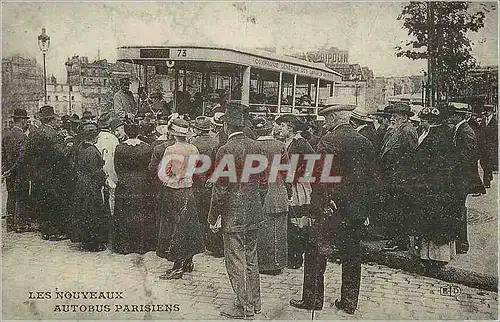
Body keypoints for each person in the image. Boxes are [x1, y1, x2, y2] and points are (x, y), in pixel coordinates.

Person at [289, 100, 375, 315]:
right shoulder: (365, 142)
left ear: (335, 118)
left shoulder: (328, 141)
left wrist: (317, 207)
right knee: (352, 254)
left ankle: (313, 299)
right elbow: (371, 180)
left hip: (331, 207)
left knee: (315, 252)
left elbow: (320, 179)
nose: (325, 123)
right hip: (355, 208)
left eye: (327, 118)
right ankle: (349, 302)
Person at [208, 103, 263, 319]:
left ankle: (242, 307)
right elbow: (264, 182)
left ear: (225, 125)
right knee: (251, 258)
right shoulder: (257, 146)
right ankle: (255, 304)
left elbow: (220, 187)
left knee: (235, 260)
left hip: (233, 213)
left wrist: (213, 216)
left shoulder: (226, 150)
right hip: (253, 210)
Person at [408, 104, 461, 268]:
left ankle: (434, 257)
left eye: (423, 121)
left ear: (429, 122)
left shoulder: (434, 138)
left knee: (433, 223)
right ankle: (431, 256)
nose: (421, 123)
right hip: (436, 187)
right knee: (434, 223)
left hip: (433, 188)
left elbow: (431, 164)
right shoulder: (438, 135)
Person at [156, 118, 204, 279]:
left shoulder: (171, 149)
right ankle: (188, 261)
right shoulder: (194, 148)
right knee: (188, 226)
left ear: (173, 133)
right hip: (188, 189)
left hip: (173, 190)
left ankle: (177, 265)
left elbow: (165, 171)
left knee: (174, 227)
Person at [24, 105, 70, 241]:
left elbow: (28, 155)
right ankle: (54, 232)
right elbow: (62, 154)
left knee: (43, 202)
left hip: (38, 174)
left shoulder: (34, 133)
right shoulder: (52, 134)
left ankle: (45, 230)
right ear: (51, 120)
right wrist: (68, 143)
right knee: (53, 202)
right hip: (52, 174)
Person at [275, 113, 315, 269]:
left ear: (290, 128)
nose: (280, 129)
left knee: (298, 220)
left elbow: (312, 164)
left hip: (298, 187)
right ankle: (291, 254)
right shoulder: (286, 142)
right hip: (288, 185)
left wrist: (296, 175)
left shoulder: (302, 144)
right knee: (291, 220)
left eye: (283, 126)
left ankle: (297, 256)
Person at [112, 119, 156, 254]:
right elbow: (150, 168)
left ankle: (125, 245)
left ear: (126, 131)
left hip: (125, 183)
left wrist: (123, 178)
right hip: (143, 184)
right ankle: (142, 245)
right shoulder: (147, 147)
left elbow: (117, 167)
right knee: (142, 213)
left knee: (125, 214)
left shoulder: (120, 148)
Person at [446, 104, 485, 254]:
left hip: (462, 178)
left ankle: (462, 244)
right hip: (458, 178)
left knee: (459, 211)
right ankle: (459, 241)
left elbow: (467, 158)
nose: (451, 117)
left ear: (459, 116)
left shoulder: (466, 131)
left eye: (453, 114)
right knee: (457, 210)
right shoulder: (459, 129)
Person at [379, 103, 418, 251]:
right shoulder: (396, 130)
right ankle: (395, 238)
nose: (391, 119)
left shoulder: (407, 131)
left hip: (401, 177)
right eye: (391, 116)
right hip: (393, 176)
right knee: (394, 208)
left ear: (404, 117)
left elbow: (411, 155)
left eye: (395, 116)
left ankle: (400, 241)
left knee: (399, 209)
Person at [254, 117, 289, 275]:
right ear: (271, 130)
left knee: (262, 228)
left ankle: (263, 263)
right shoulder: (280, 145)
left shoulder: (253, 146)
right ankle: (278, 262)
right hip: (278, 189)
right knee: (279, 228)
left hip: (259, 192)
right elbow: (287, 170)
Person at [71, 122, 108, 251]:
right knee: (93, 212)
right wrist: (104, 177)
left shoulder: (81, 147)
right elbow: (94, 171)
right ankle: (93, 243)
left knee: (84, 211)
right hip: (90, 185)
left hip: (81, 183)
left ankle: (86, 239)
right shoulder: (92, 150)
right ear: (93, 137)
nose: (98, 138)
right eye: (96, 136)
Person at [189, 116, 223, 257]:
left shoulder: (193, 143)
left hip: (197, 183)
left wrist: (202, 179)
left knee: (198, 213)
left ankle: (200, 242)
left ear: (197, 129)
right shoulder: (216, 142)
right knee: (210, 212)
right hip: (211, 183)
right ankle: (213, 243)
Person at [2, 108, 30, 232]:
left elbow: (2, 155)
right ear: (22, 120)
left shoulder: (6, 135)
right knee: (21, 197)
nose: (26, 123)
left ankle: (9, 224)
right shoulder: (23, 136)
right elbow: (22, 158)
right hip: (20, 172)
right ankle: (19, 224)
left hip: (9, 173)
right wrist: (13, 169)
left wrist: (5, 170)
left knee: (11, 196)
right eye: (25, 120)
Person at [95, 113, 123, 216]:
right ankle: (111, 215)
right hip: (110, 167)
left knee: (101, 192)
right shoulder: (113, 138)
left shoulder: (96, 136)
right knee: (112, 193)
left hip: (99, 168)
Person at [479, 104, 497, 188]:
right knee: (483, 163)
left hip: (491, 147)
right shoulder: (483, 120)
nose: (485, 112)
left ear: (491, 111)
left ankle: (486, 182)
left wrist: (494, 146)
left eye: (487, 111)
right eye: (485, 110)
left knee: (488, 164)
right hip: (483, 147)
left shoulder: (495, 121)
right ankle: (489, 176)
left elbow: (496, 136)